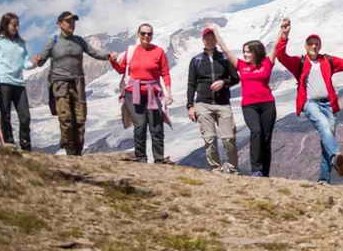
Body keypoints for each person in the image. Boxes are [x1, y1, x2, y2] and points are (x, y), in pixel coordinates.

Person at [275, 19, 343, 185]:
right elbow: (281, 56)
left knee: (327, 137)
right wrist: (284, 35)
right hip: (310, 103)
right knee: (324, 126)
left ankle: (324, 179)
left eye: (317, 44)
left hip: (329, 104)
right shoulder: (299, 63)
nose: (314, 46)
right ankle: (335, 156)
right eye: (311, 44)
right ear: (306, 46)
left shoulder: (328, 61)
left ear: (320, 45)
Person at [33, 11, 117, 156]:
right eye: (68, 21)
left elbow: (94, 52)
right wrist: (38, 59)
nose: (72, 24)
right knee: (65, 117)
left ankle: (77, 152)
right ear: (60, 24)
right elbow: (41, 60)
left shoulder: (79, 41)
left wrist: (108, 56)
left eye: (73, 21)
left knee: (80, 118)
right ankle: (70, 151)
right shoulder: (53, 41)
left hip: (78, 83)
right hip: (60, 83)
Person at [215, 30, 277, 177]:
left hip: (268, 104)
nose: (245, 54)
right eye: (244, 52)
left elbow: (276, 46)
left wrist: (283, 31)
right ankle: (256, 169)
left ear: (256, 52)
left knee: (266, 139)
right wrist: (216, 32)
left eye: (248, 52)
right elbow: (225, 49)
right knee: (256, 132)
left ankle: (265, 173)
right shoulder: (241, 65)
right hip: (249, 106)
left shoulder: (267, 63)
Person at [110, 23, 173, 164]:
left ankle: (159, 159)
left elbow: (165, 73)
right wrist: (113, 61)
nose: (146, 36)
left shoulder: (159, 52)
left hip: (153, 93)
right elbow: (121, 70)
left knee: (156, 126)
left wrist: (168, 93)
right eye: (143, 33)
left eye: (149, 34)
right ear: (138, 34)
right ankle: (141, 158)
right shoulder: (131, 51)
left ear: (152, 35)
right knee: (140, 125)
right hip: (133, 92)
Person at [186, 27, 241, 173]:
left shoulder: (224, 58)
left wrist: (224, 82)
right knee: (209, 138)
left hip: (223, 103)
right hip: (203, 103)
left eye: (212, 37)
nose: (209, 39)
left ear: (216, 39)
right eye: (207, 37)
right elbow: (191, 84)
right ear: (203, 40)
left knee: (229, 138)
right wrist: (190, 106)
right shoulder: (196, 60)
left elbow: (235, 78)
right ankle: (215, 168)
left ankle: (232, 168)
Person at [0, 12, 34, 151]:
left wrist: (34, 63)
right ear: (5, 25)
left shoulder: (21, 43)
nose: (16, 27)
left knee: (25, 116)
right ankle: (9, 144)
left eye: (17, 24)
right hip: (4, 82)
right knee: (5, 115)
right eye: (13, 24)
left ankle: (26, 146)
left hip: (19, 83)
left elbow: (25, 63)